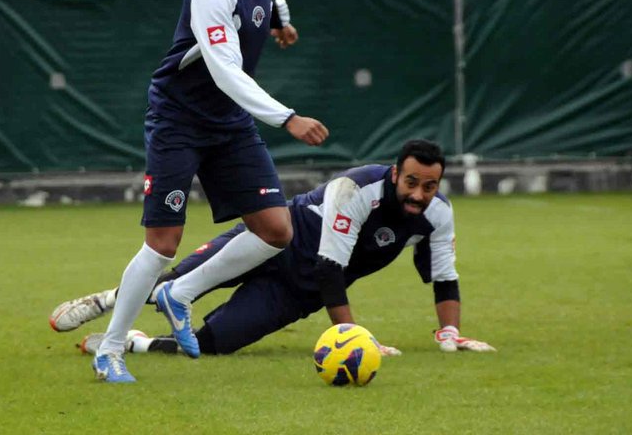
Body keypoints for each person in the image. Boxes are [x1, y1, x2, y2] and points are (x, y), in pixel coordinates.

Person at [90, 0, 329, 382]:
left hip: (229, 125)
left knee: (276, 230)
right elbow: (225, 71)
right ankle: (110, 351)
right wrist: (287, 118)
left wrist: (280, 22)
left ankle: (178, 294)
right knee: (162, 245)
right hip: (179, 122)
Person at [51, 140, 495, 360]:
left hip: (298, 292)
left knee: (213, 345)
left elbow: (445, 277)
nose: (418, 194)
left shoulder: (437, 214)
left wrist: (450, 334)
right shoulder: (357, 189)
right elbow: (330, 268)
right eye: (412, 182)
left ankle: (136, 344)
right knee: (175, 285)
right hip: (274, 241)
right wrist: (355, 340)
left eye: (429, 186)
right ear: (396, 174)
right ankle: (106, 301)